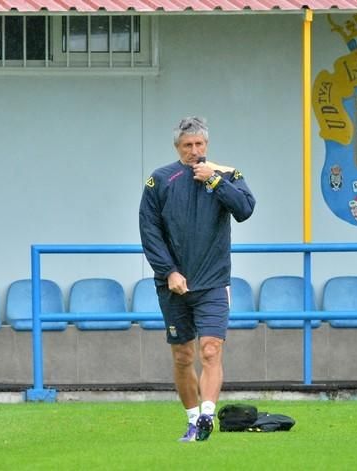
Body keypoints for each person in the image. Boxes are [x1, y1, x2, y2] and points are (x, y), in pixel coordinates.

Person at [139, 116, 256, 442]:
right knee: (183, 356)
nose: (194, 151)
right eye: (188, 145)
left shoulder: (228, 174)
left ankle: (207, 416)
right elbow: (149, 231)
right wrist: (169, 272)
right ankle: (192, 419)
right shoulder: (159, 180)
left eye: (199, 144)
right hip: (174, 285)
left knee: (210, 350)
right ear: (178, 147)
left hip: (214, 282)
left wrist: (216, 181)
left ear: (207, 144)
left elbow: (245, 209)